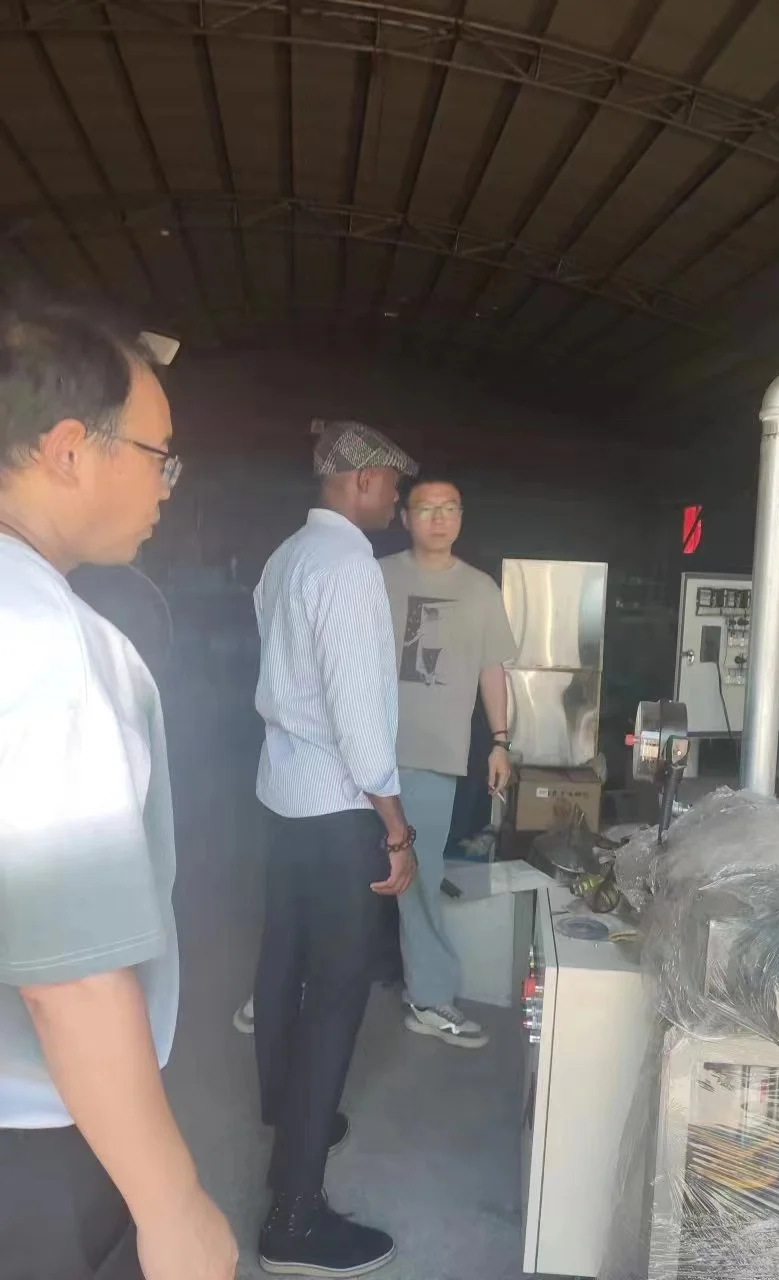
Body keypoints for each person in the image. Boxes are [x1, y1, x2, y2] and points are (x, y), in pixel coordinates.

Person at [0, 294, 237, 1279]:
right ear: (69, 449)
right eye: (158, 455)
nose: (167, 485)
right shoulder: (42, 639)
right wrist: (171, 1201)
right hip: (28, 1142)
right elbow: (71, 974)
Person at [252, 419, 419, 1277]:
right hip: (338, 810)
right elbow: (359, 721)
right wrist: (396, 827)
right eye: (393, 484)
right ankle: (294, 1216)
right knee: (336, 996)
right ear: (360, 481)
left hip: (285, 799)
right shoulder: (350, 567)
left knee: (283, 967)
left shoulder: (286, 557)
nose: (397, 499)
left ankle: (290, 1114)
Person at [379, 474, 517, 1049]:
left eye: (449, 508)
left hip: (432, 758)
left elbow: (492, 669)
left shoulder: (480, 589)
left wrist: (500, 741)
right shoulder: (375, 576)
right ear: (404, 518)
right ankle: (288, 986)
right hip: (358, 754)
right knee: (329, 872)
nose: (438, 518)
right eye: (425, 508)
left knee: (420, 879)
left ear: (461, 518)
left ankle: (429, 997)